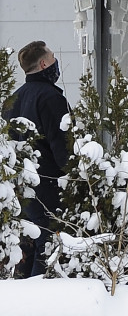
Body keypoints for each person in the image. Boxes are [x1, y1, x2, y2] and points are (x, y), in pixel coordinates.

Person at [2, 41, 71, 277]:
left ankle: (20, 299)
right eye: (53, 57)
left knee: (25, 250)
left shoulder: (12, 101)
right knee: (49, 246)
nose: (55, 61)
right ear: (43, 64)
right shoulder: (51, 98)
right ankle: (40, 299)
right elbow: (62, 144)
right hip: (48, 186)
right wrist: (74, 178)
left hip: (20, 189)